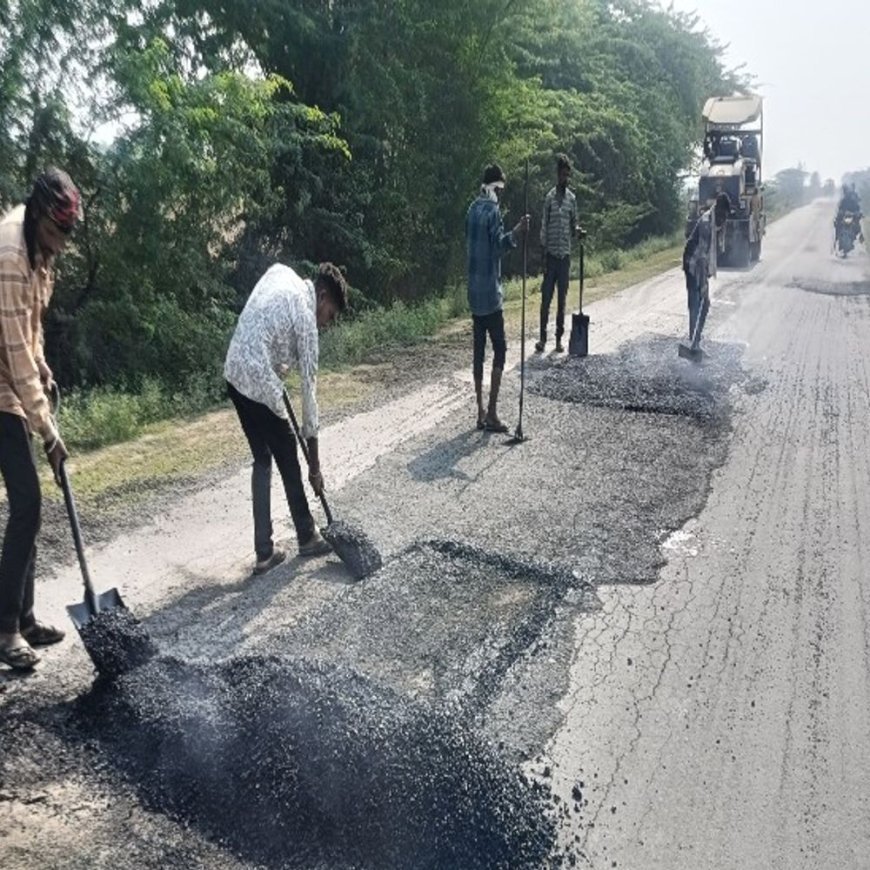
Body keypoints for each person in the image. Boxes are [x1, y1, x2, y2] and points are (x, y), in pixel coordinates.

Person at [0, 167, 79, 671]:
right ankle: (5, 631)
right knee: (27, 501)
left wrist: (44, 359)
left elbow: (31, 328)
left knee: (28, 504)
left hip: (11, 374)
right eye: (54, 235)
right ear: (36, 217)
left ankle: (25, 619)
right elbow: (14, 356)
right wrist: (48, 430)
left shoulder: (40, 250)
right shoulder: (9, 256)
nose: (58, 247)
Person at [224, 262, 347, 575]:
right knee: (289, 453)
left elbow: (264, 323)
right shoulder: (306, 320)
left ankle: (264, 552)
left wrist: (275, 367)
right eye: (330, 314)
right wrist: (315, 467)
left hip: (234, 371)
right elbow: (310, 396)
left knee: (262, 459)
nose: (327, 324)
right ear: (321, 296)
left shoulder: (282, 273)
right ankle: (306, 535)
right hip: (257, 378)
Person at [466, 163, 529, 432]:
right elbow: (496, 250)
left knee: (478, 352)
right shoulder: (492, 212)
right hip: (491, 293)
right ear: (495, 187)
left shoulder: (471, 210)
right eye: (501, 189)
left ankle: (479, 411)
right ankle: (491, 412)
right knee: (500, 349)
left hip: (473, 292)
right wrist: (515, 232)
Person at [536, 154, 582, 354]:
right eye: (562, 175)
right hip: (551, 257)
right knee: (546, 299)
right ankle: (542, 339)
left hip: (565, 257)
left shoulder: (572, 199)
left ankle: (558, 340)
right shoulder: (549, 198)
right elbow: (544, 227)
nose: (565, 178)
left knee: (562, 301)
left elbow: (574, 225)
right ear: (557, 175)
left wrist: (579, 231)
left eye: (567, 175)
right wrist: (543, 252)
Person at [682, 193, 730, 352]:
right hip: (692, 263)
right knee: (697, 303)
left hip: (698, 263)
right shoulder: (706, 223)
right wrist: (703, 283)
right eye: (724, 214)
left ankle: (695, 343)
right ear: (718, 209)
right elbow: (701, 257)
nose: (725, 219)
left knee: (703, 303)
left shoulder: (714, 221)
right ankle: (693, 345)